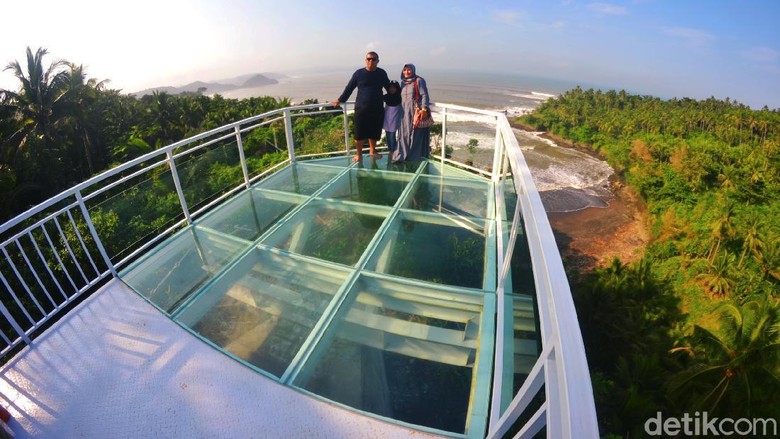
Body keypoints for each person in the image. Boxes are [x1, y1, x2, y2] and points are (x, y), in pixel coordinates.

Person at [330, 51, 390, 162]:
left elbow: (389, 88)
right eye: (368, 59)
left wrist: (399, 96)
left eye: (373, 59)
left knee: (374, 132)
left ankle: (373, 151)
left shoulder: (381, 73)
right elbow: (349, 88)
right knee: (359, 134)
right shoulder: (359, 73)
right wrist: (340, 100)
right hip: (361, 109)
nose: (371, 61)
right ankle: (359, 155)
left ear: (378, 61)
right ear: (365, 60)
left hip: (377, 108)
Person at [392, 63, 431, 163]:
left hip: (415, 111)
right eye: (404, 70)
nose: (406, 72)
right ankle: (401, 155)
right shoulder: (403, 83)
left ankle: (413, 157)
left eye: (409, 70)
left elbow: (424, 95)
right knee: (403, 133)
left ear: (413, 70)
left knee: (415, 134)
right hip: (403, 111)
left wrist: (424, 109)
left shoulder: (419, 81)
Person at [382, 80, 402, 153]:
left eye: (394, 87)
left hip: (395, 119)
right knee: (388, 135)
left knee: (392, 136)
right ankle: (390, 150)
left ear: (397, 88)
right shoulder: (386, 96)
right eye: (390, 87)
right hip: (387, 119)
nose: (392, 89)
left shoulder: (400, 97)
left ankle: (393, 151)